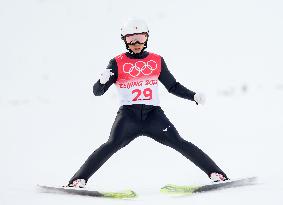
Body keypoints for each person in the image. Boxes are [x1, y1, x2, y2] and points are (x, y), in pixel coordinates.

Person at [67, 18, 228, 188]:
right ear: (124, 40)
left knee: (179, 142)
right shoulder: (117, 62)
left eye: (140, 38)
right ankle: (78, 180)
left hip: (154, 116)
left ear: (147, 38)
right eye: (131, 39)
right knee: (110, 145)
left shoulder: (156, 60)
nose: (136, 43)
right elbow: (97, 92)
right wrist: (101, 82)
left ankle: (216, 174)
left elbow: (173, 86)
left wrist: (193, 96)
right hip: (128, 117)